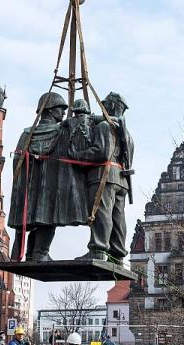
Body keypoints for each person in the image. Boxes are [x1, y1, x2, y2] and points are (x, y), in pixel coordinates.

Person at [8, 92, 89, 261]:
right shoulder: (62, 131)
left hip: (29, 186)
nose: (63, 112)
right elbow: (76, 151)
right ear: (51, 110)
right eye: (60, 108)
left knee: (32, 218)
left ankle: (26, 253)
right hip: (50, 185)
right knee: (48, 217)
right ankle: (40, 253)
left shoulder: (27, 134)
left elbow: (17, 160)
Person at [71, 92, 133, 264]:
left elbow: (100, 152)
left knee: (102, 213)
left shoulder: (105, 126)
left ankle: (98, 249)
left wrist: (77, 155)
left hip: (104, 175)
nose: (103, 108)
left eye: (105, 105)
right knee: (118, 216)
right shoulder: (128, 134)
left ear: (112, 106)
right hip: (122, 180)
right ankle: (117, 254)